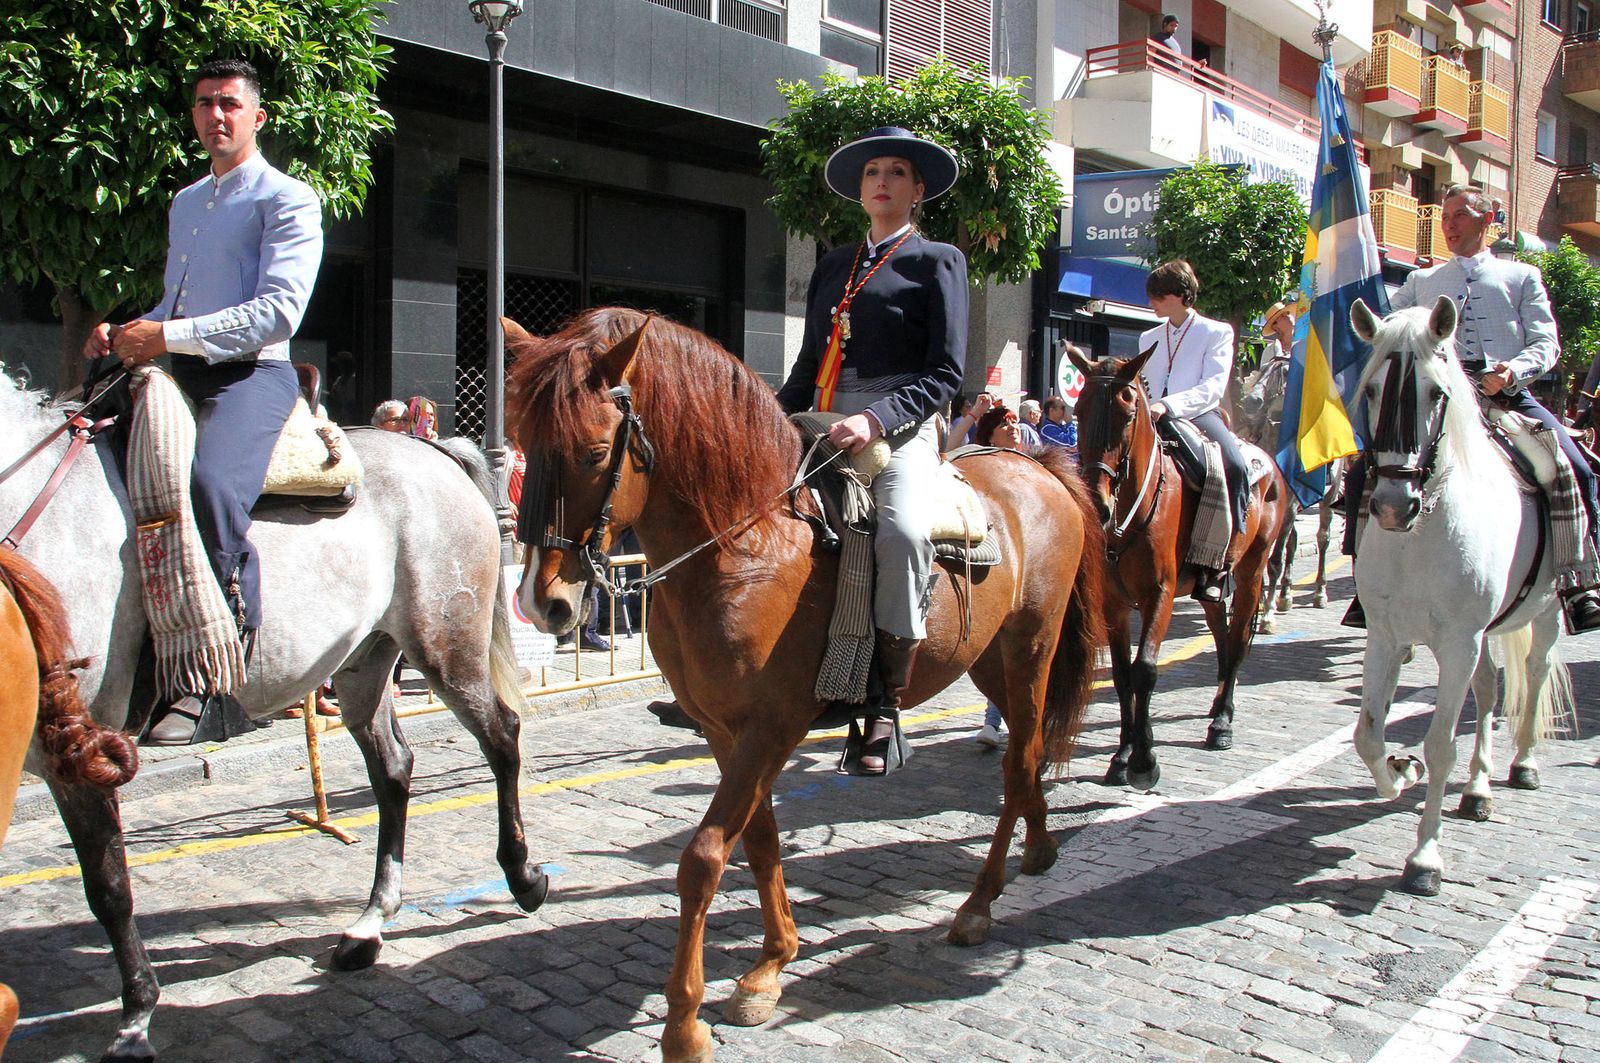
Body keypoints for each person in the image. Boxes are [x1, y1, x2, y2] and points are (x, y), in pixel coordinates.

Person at [85, 58, 323, 745]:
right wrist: (130, 329)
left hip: (251, 375)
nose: (215, 115)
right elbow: (174, 305)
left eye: (228, 104)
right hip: (178, 368)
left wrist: (165, 333)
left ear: (257, 116)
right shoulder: (187, 201)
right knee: (82, 444)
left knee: (211, 485)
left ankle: (219, 681)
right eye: (203, 104)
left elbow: (277, 314)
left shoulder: (288, 198)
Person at [776, 125, 966, 775]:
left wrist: (876, 420)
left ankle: (885, 702)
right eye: (871, 173)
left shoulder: (938, 261)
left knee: (904, 532)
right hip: (823, 410)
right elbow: (806, 365)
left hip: (901, 420)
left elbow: (945, 374)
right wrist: (764, 421)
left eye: (895, 172)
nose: (881, 181)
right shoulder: (833, 264)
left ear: (916, 191)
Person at [1341, 185, 1600, 633]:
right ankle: (1367, 582)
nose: (1449, 225)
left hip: (1504, 397)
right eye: (1445, 217)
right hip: (1437, 399)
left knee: (1573, 466)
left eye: (1459, 215)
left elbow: (1546, 342)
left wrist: (1513, 370)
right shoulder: (1421, 282)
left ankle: (1579, 583)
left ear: (1487, 219)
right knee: (1368, 471)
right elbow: (1387, 334)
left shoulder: (1522, 276)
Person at [1138, 260, 1250, 603]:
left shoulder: (1216, 332)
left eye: (1158, 296)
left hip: (1197, 415)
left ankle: (1223, 558)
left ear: (1179, 295)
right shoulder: (1148, 336)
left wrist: (1169, 406)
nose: (1152, 303)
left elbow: (1213, 386)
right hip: (1152, 416)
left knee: (1234, 466)